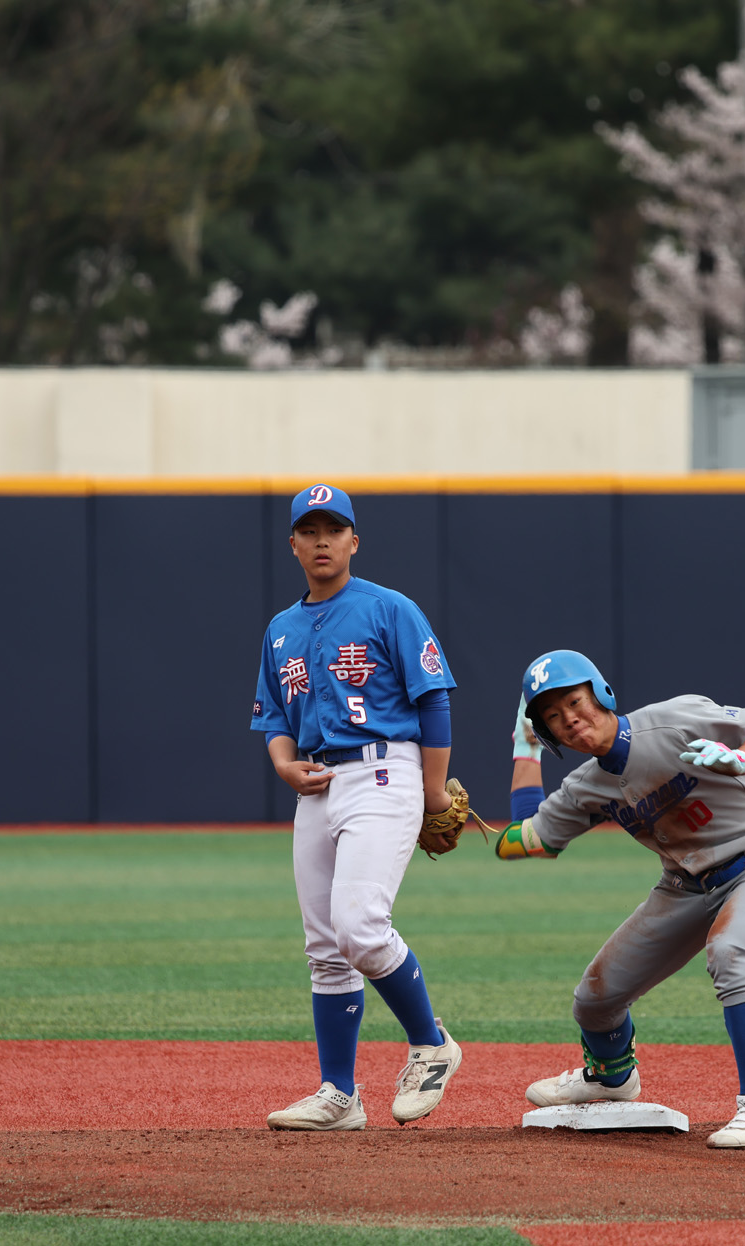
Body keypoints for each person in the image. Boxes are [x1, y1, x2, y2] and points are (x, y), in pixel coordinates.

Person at [495, 650, 745, 1150]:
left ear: (601, 694)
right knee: (594, 1000)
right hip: (683, 887)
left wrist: (743, 757)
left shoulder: (672, 721)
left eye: (575, 701)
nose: (569, 718)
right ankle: (611, 1077)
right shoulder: (586, 787)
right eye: (552, 717)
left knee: (730, 953)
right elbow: (528, 840)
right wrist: (524, 753)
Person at [250, 483, 463, 1131]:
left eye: (333, 529)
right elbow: (275, 718)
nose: (321, 541)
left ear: (354, 541)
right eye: (309, 530)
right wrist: (283, 764)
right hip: (317, 785)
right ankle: (339, 1094)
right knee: (325, 947)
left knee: (360, 924)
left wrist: (432, 792)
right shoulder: (281, 630)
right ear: (293, 544)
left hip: (383, 771)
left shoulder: (389, 609)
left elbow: (434, 700)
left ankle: (431, 1044)